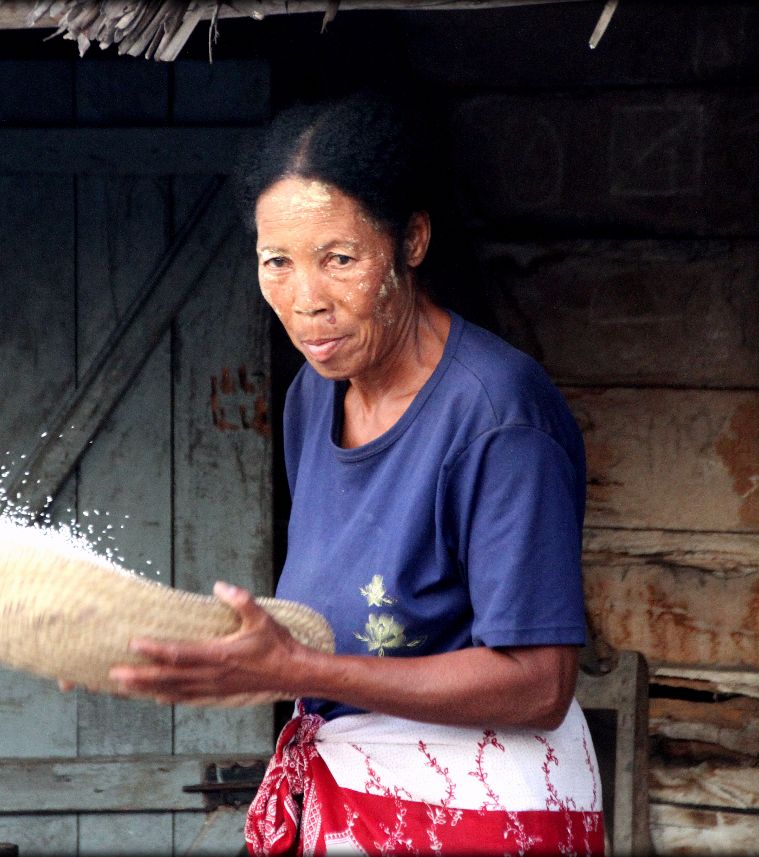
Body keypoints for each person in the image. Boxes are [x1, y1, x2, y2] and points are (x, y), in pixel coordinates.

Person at [107, 94, 604, 856]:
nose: (307, 300)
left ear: (410, 240)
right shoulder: (316, 393)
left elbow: (539, 683)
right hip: (352, 803)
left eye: (339, 258)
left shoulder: (499, 417)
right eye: (278, 262)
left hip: (479, 814)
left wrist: (301, 668)